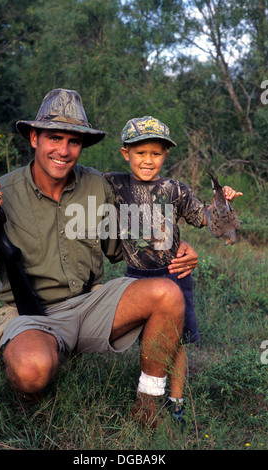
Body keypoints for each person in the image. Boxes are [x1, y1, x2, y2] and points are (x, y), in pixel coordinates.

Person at [0, 89, 198, 430]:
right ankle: (33, 404)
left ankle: (147, 408)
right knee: (33, 369)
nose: (63, 150)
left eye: (74, 141)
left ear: (82, 146)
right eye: (54, 137)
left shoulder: (96, 184)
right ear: (34, 138)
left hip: (91, 304)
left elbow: (122, 246)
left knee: (167, 293)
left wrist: (180, 247)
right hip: (30, 314)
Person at [104, 116, 242, 424]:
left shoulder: (175, 190)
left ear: (165, 155)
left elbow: (202, 216)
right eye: (140, 153)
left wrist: (222, 203)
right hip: (135, 276)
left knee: (175, 341)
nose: (148, 160)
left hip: (173, 274)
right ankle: (147, 390)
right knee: (146, 339)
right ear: (126, 153)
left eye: (156, 153)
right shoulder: (114, 184)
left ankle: (176, 402)